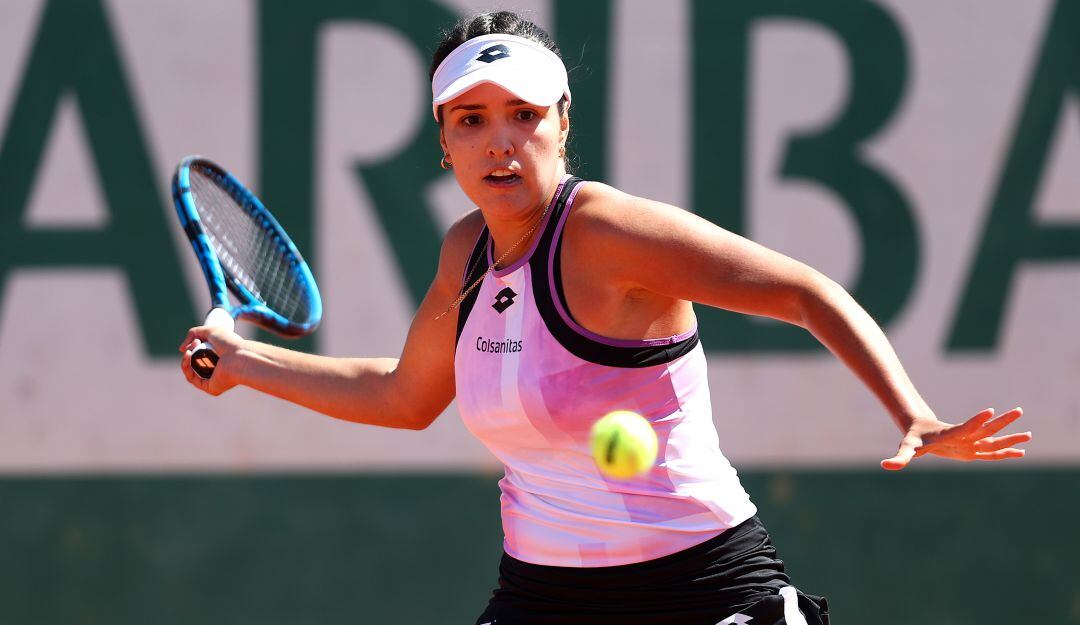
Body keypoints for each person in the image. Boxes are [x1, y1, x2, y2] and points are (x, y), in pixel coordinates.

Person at [179, 11, 1031, 625]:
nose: (499, 142)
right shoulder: (463, 252)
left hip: (703, 592)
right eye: (471, 121)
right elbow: (406, 396)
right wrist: (245, 362)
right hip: (541, 596)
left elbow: (804, 292)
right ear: (444, 142)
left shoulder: (609, 233)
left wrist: (910, 408)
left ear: (561, 124)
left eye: (523, 115)